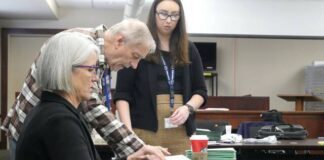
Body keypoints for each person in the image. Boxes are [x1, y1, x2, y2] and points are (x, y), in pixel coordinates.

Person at [1, 19, 169, 160]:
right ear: (119, 41)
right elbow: (92, 106)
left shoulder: (99, 56)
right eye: (135, 56)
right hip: (43, 135)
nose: (133, 66)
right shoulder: (79, 43)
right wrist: (138, 148)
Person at [114, 0, 207, 155]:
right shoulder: (138, 45)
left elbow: (201, 91)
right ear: (154, 14)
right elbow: (122, 94)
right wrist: (129, 135)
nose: (169, 20)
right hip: (143, 131)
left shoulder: (188, 48)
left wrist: (188, 108)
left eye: (174, 15)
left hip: (181, 131)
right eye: (163, 14)